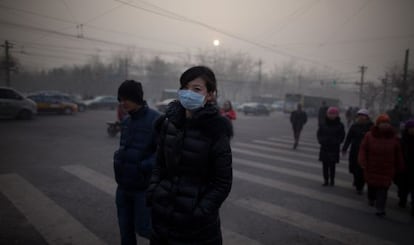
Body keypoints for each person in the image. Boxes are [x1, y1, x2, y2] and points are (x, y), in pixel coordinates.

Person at [146, 66, 233, 244]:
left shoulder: (216, 131)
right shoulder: (169, 123)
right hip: (162, 218)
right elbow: (159, 165)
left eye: (196, 89)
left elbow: (222, 183)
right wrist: (154, 192)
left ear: (210, 95)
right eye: (185, 88)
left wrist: (199, 212)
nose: (188, 93)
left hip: (197, 229)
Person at [113, 80, 160, 245]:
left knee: (144, 228)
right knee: (125, 233)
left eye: (125, 98)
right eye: (120, 99)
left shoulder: (156, 120)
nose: (122, 103)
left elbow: (164, 154)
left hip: (143, 189)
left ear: (136, 97)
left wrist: (143, 166)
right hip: (123, 187)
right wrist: (119, 159)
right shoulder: (126, 121)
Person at [358, 114, 404, 216]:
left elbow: (398, 153)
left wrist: (400, 166)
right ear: (378, 124)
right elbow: (363, 148)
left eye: (387, 123)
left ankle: (380, 208)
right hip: (372, 167)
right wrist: (362, 161)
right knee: (372, 186)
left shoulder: (394, 137)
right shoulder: (369, 135)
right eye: (382, 123)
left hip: (387, 169)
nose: (385, 125)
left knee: (383, 189)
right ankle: (371, 198)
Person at [341, 108, 373, 194]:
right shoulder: (354, 126)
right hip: (355, 149)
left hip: (366, 151)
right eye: (360, 116)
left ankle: (360, 186)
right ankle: (356, 180)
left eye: (363, 116)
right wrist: (344, 148)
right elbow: (349, 138)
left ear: (367, 117)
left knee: (361, 169)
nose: (361, 117)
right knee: (354, 167)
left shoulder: (371, 127)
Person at [317, 106, 345, 186]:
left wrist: (337, 142)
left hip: (334, 148)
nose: (332, 115)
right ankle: (326, 180)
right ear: (327, 114)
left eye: (334, 114)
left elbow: (342, 136)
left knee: (332, 165)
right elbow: (319, 134)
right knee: (325, 165)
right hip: (324, 147)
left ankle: (332, 180)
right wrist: (321, 141)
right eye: (330, 114)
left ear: (337, 115)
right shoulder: (323, 124)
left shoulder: (340, 125)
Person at [395, 119, 414, 216]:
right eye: (411, 128)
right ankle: (402, 199)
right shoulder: (402, 140)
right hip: (404, 167)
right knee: (403, 186)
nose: (412, 130)